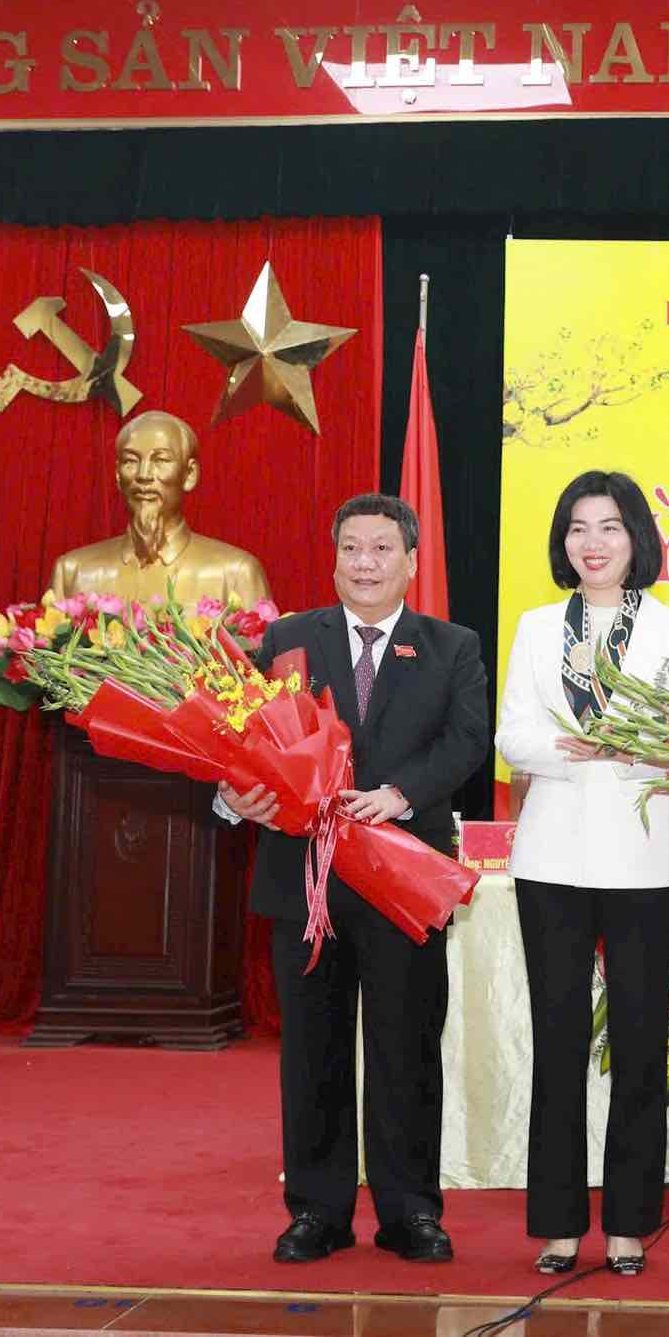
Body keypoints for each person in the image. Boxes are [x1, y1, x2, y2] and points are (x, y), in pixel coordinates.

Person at [215, 493, 489, 1266]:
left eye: (381, 549)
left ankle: (411, 1212)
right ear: (334, 557)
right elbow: (242, 738)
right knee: (313, 1050)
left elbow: (468, 738)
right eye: (351, 549)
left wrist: (400, 793)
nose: (365, 563)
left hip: (403, 875)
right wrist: (235, 795)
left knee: (407, 1049)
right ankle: (317, 1212)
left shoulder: (452, 646)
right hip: (306, 879)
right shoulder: (287, 640)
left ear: (411, 561)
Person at [495, 470, 669, 1278]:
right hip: (552, 855)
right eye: (579, 527)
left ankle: (628, 1224)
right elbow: (513, 734)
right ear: (563, 541)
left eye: (610, 526)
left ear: (636, 539)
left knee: (641, 1042)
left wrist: (628, 748)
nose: (593, 542)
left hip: (646, 857)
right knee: (557, 1042)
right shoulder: (537, 626)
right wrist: (570, 749)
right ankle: (557, 1224)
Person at [49, 409, 270, 607]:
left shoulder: (235, 573)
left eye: (160, 460)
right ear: (117, 474)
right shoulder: (73, 572)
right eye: (130, 461)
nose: (143, 475)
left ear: (189, 474)